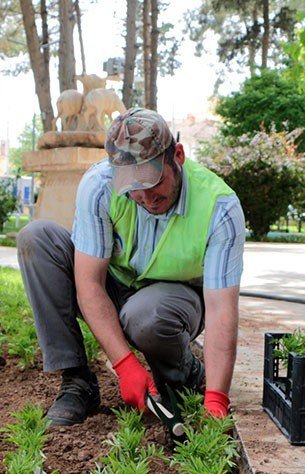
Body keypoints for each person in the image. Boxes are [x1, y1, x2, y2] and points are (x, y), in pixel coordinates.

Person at [16, 108, 246, 426]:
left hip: (171, 300)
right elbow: (89, 285)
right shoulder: (99, 185)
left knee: (146, 315)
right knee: (37, 239)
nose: (145, 197)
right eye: (133, 186)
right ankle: (77, 383)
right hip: (114, 286)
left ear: (177, 156)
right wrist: (124, 365)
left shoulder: (219, 207)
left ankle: (183, 375)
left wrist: (217, 400)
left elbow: (222, 310)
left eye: (154, 182)